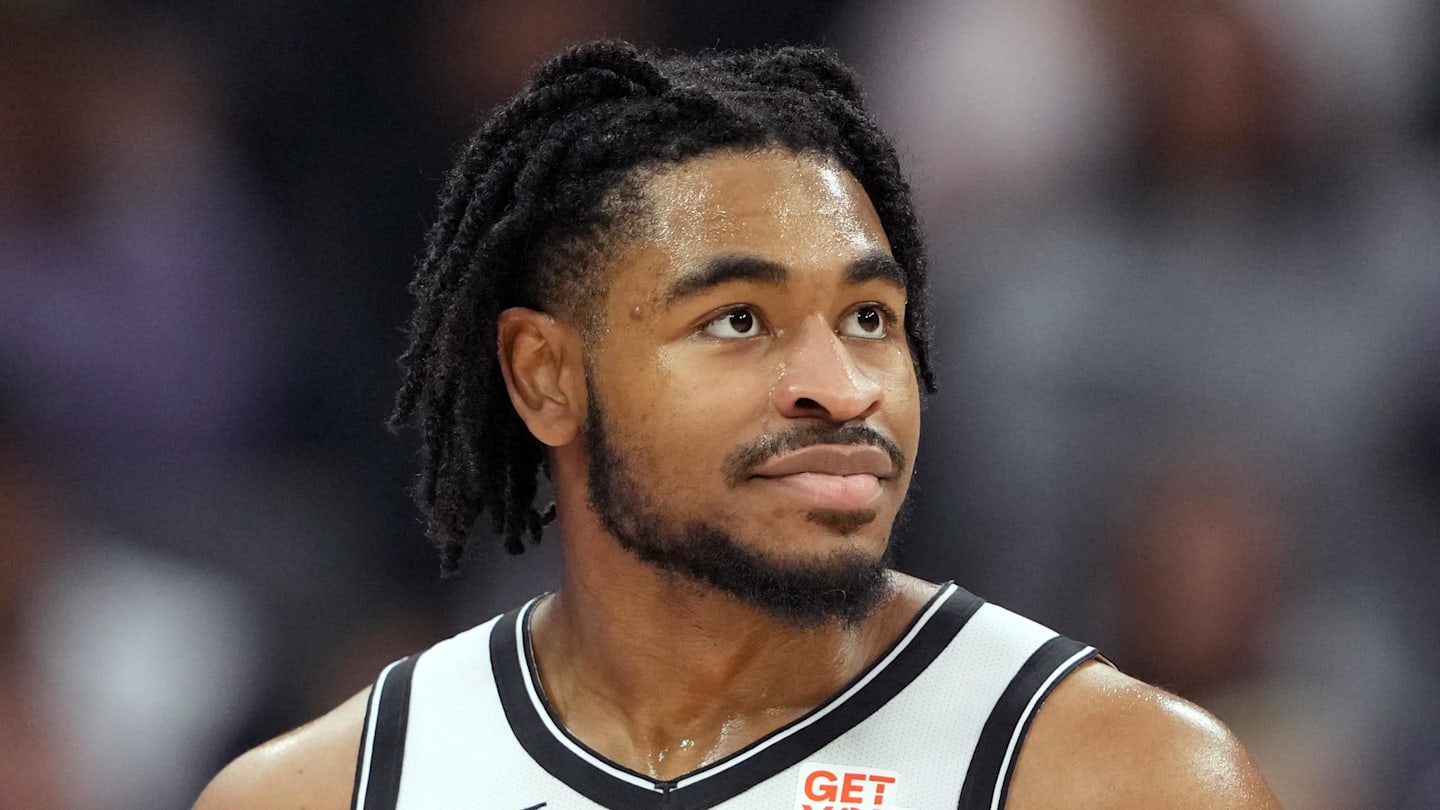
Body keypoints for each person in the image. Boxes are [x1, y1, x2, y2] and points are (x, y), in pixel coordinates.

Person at [194, 41, 1279, 809]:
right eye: (739, 320)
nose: (840, 388)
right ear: (545, 377)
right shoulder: (327, 791)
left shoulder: (1118, 777)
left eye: (868, 318)